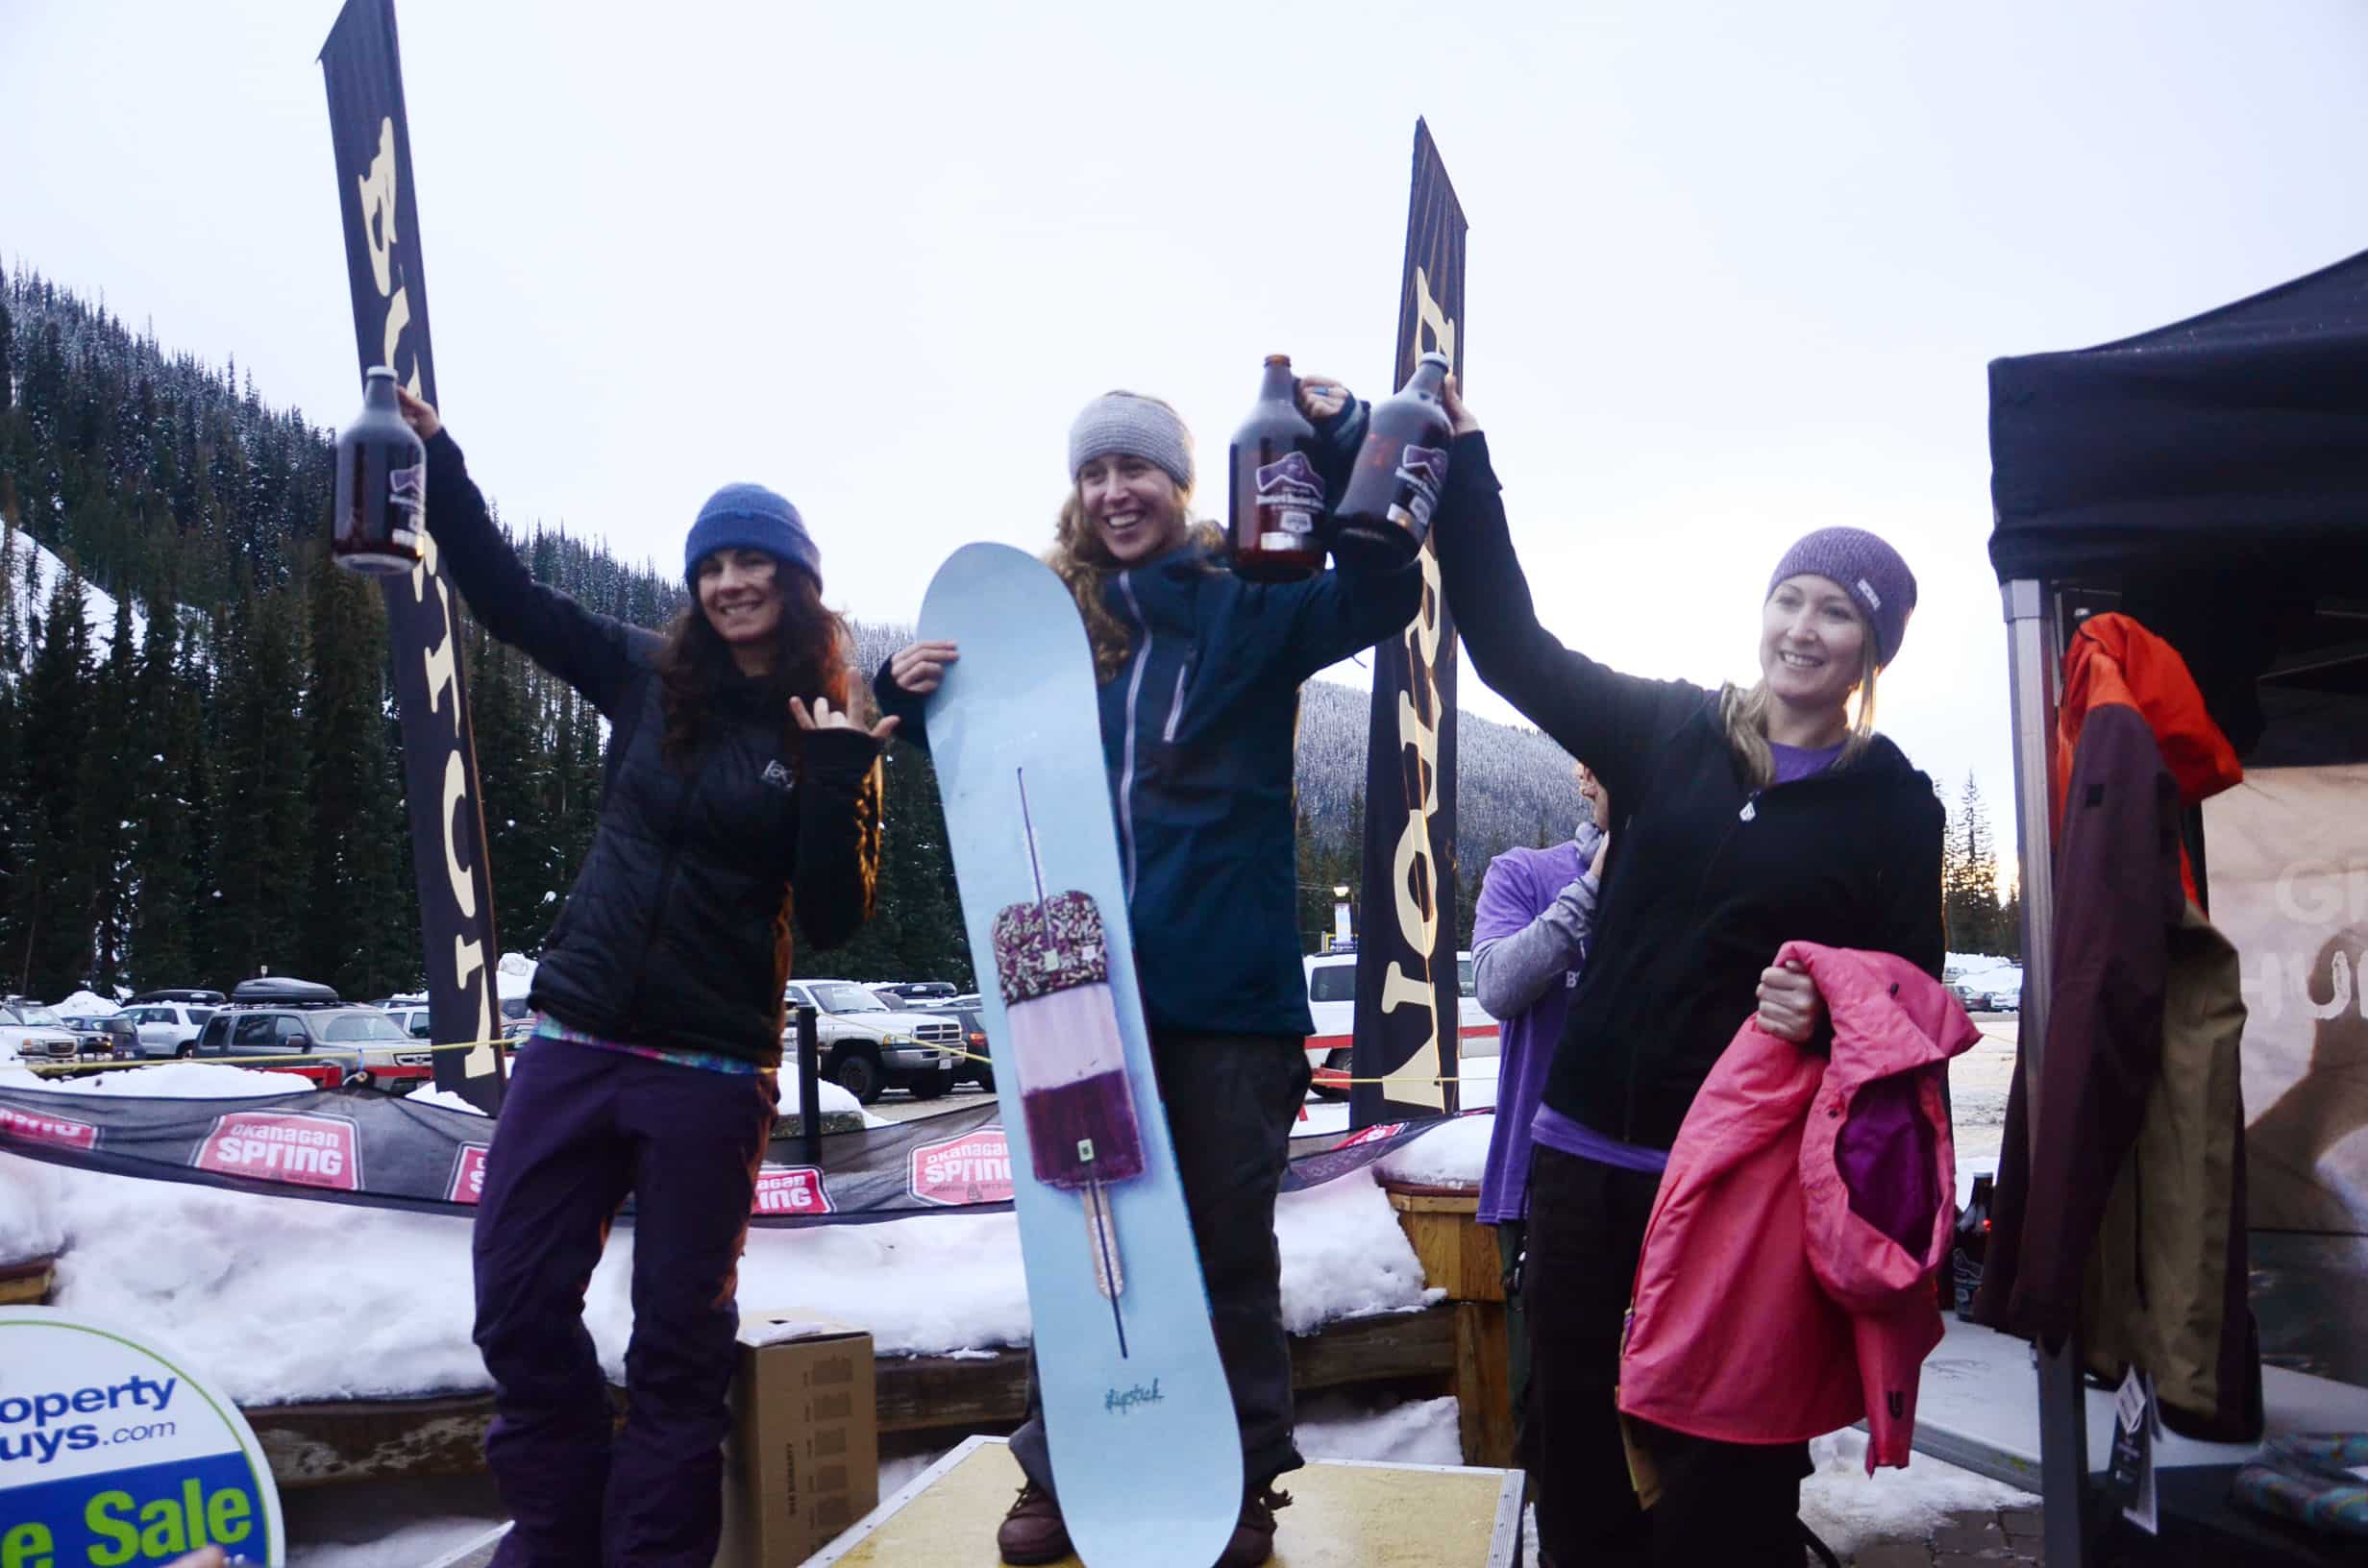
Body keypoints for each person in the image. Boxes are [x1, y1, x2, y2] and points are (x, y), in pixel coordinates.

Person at [879, 381, 1423, 1568]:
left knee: (1223, 1245)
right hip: (1075, 1001)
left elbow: (1385, 589)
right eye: (1093, 474)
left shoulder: (1250, 603)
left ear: (1183, 487)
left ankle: (1237, 1483)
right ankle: (1068, 1470)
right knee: (1089, 1242)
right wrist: (906, 701)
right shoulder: (1041, 633)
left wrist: (1341, 443)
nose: (1114, 492)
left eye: (1137, 471)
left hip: (1226, 1000)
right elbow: (990, 784)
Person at [1428, 376, 1943, 1568]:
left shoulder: (1891, 805)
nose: (1802, 629)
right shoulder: (1668, 732)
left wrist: (1829, 1003)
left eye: (1837, 613)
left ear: (1872, 648)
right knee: (1567, 1431)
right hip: (1582, 1154)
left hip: (1742, 1184)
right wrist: (1466, 467)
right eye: (1789, 599)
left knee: (1732, 1458)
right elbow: (1510, 646)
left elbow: (1916, 994)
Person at [394, 387, 890, 1568]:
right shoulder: (642, 674)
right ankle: (557, 1532)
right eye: (710, 564)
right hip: (576, 1038)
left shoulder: (831, 722)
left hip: (713, 1068)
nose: (729, 583)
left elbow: (831, 917)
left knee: (677, 1343)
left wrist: (829, 775)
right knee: (516, 1305)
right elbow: (509, 600)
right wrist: (439, 462)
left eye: (751, 562)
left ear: (795, 581)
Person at [1469, 760, 1608, 1472]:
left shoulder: (1686, 885)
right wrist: (1590, 890)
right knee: (1549, 1405)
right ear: (1587, 780)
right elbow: (1495, 986)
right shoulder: (1524, 872)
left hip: (1661, 1182)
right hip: (1536, 1182)